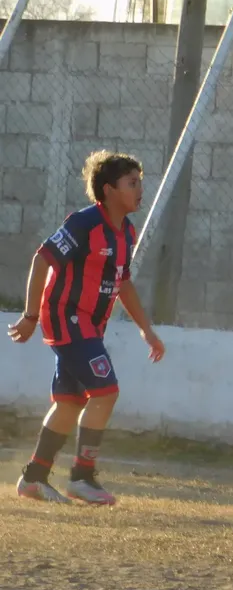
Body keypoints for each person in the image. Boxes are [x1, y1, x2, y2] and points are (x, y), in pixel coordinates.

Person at [7, 150, 165, 506]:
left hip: (90, 326)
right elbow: (42, 259)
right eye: (132, 183)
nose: (140, 190)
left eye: (140, 182)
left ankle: (33, 478)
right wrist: (30, 316)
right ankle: (81, 476)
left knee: (70, 401)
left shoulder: (126, 231)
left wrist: (146, 330)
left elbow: (123, 283)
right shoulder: (84, 223)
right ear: (109, 190)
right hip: (68, 318)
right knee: (106, 391)